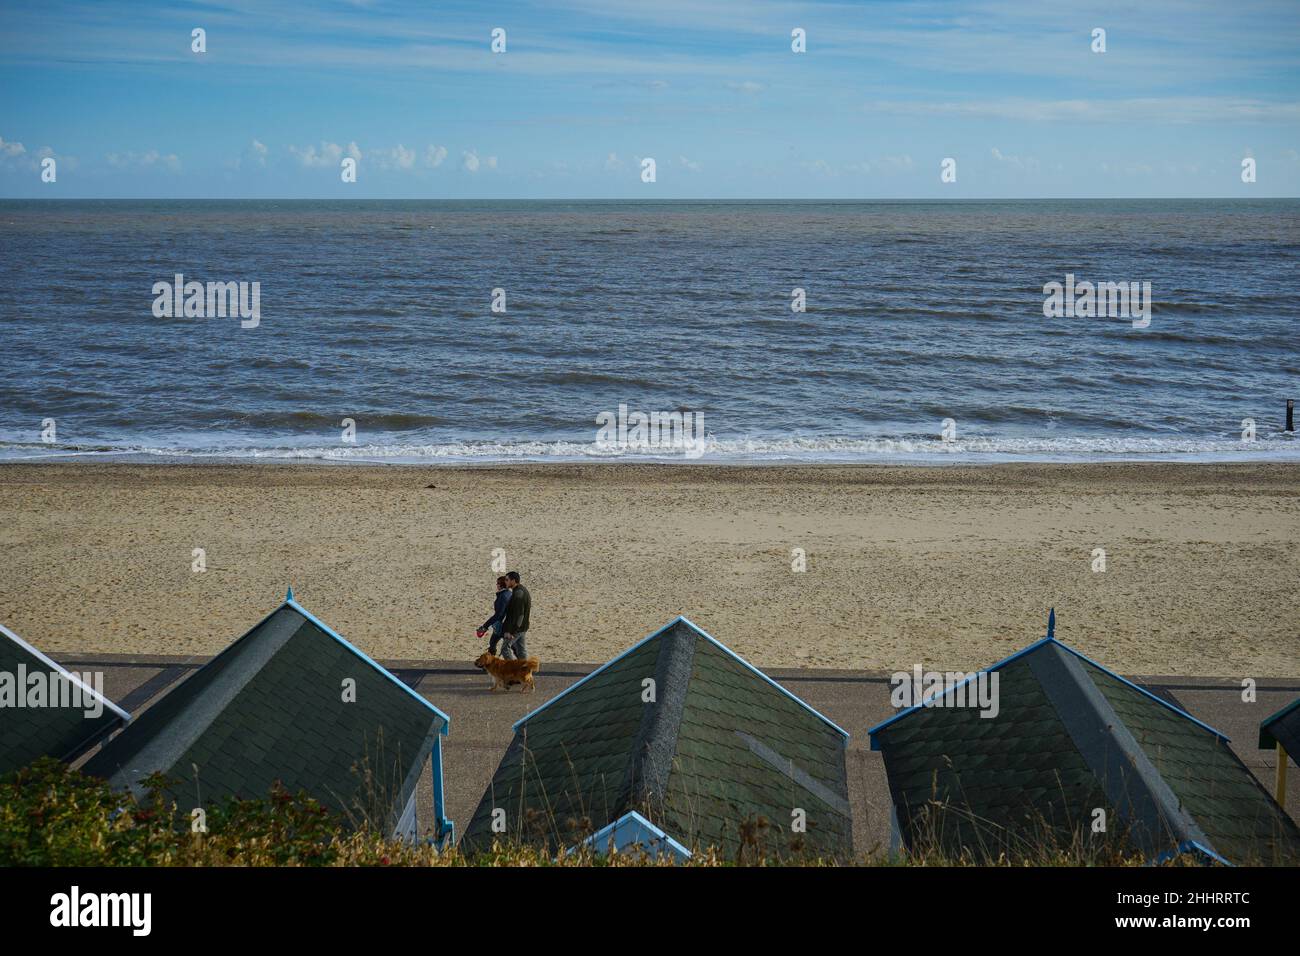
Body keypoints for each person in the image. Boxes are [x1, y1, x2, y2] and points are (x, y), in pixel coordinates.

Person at [476, 576, 512, 655]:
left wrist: (485, 626)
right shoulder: (508, 594)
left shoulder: (503, 596)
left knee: (495, 644)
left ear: (501, 585)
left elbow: (499, 614)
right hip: (505, 624)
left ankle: (491, 662)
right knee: (494, 642)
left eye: (498, 583)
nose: (496, 585)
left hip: (502, 625)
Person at [500, 570, 531, 661]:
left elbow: (519, 615)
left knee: (505, 649)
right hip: (522, 627)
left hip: (516, 628)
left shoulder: (518, 594)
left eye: (506, 580)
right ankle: (525, 670)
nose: (505, 582)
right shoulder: (521, 590)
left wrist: (512, 632)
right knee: (521, 651)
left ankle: (512, 669)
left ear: (513, 581)